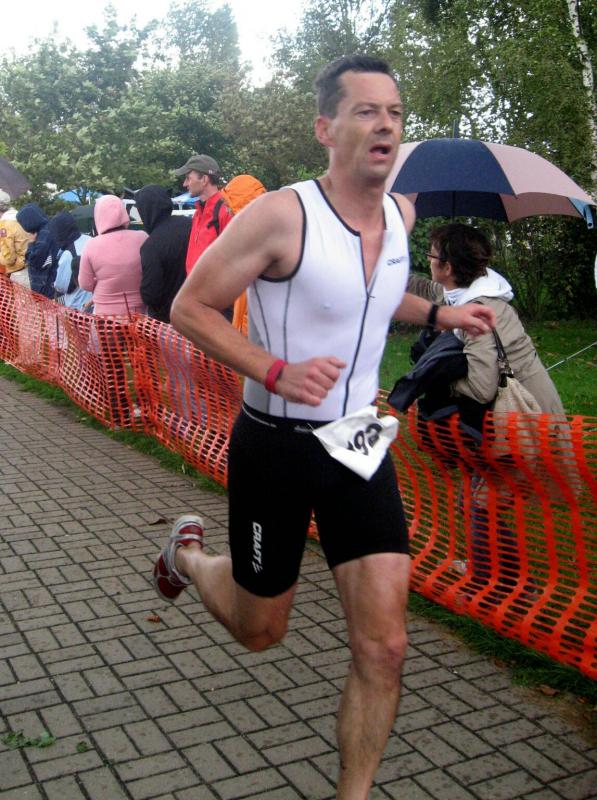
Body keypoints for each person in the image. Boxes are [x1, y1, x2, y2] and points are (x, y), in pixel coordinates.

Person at [154, 55, 495, 799]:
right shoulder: (282, 215)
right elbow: (189, 307)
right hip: (274, 446)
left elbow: (375, 291)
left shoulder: (402, 216)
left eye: (394, 113)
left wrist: (439, 314)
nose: (385, 125)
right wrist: (273, 369)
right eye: (366, 111)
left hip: (357, 444)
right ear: (325, 128)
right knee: (261, 631)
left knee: (386, 646)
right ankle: (187, 557)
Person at [408, 223, 564, 599]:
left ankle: (498, 586)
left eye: (432, 254)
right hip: (500, 422)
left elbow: (479, 387)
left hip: (525, 423)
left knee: (481, 503)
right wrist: (379, 265)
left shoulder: (483, 310)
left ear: (447, 266)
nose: (428, 261)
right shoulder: (460, 293)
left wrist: (436, 382)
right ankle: (496, 576)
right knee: (477, 498)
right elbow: (425, 290)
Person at [173, 154, 233, 318]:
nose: (185, 184)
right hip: (200, 300)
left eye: (188, 178)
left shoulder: (225, 210)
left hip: (217, 304)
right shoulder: (199, 212)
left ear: (204, 179)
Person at [78, 195, 147, 316]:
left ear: (98, 216)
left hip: (105, 316)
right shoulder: (142, 237)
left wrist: (103, 282)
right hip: (139, 313)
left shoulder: (91, 245)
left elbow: (85, 284)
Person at [135, 185, 191, 323]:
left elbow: (151, 294)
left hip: (170, 319)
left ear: (145, 211)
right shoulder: (192, 224)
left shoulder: (151, 246)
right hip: (203, 309)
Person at [48, 211, 93, 311]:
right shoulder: (91, 240)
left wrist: (54, 284)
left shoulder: (69, 253)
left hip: (78, 305)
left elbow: (62, 286)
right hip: (95, 301)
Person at [16, 203, 59, 298]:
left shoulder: (43, 235)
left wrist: (31, 243)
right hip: (51, 282)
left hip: (45, 286)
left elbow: (35, 261)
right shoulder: (50, 228)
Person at [0, 189, 32, 288]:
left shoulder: (5, 225)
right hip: (31, 269)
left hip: (19, 274)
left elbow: (9, 258)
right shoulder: (20, 216)